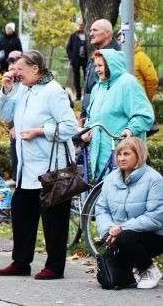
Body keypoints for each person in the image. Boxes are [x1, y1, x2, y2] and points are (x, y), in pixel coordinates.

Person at [0, 50, 77, 280]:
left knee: (54, 220)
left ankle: (55, 266)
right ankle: (21, 262)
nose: (16, 72)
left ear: (35, 68)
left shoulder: (53, 91)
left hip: (51, 169)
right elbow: (4, 114)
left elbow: (70, 127)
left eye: (20, 69)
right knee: (22, 213)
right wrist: (7, 90)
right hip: (27, 170)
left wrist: (40, 132)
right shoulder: (23, 89)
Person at [95, 137, 163, 289]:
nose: (121, 158)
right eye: (119, 154)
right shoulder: (111, 179)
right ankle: (130, 273)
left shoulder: (154, 179)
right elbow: (101, 209)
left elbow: (155, 217)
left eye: (126, 154)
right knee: (111, 280)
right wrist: (110, 228)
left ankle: (150, 270)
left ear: (138, 155)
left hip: (155, 236)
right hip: (120, 235)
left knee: (125, 238)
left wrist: (122, 228)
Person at [82, 50, 154, 177]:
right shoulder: (97, 87)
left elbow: (145, 115)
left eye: (100, 65)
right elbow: (92, 116)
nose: (97, 70)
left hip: (124, 155)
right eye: (95, 66)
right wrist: (88, 129)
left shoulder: (128, 83)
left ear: (110, 65)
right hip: (101, 157)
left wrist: (130, 129)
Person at [80, 19, 121, 124]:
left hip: (105, 118)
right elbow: (89, 89)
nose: (91, 34)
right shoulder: (96, 54)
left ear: (107, 33)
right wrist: (84, 114)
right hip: (91, 114)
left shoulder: (116, 55)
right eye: (90, 30)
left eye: (95, 30)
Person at [6, 50, 22, 182]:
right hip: (14, 124)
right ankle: (15, 177)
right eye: (10, 64)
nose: (12, 67)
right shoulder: (9, 82)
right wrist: (12, 125)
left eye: (15, 64)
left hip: (26, 124)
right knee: (14, 149)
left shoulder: (25, 81)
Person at [66, 21, 88, 100]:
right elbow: (68, 48)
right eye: (80, 25)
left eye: (82, 25)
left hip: (85, 59)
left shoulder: (88, 35)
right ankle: (78, 96)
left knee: (87, 77)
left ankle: (86, 95)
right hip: (76, 60)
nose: (81, 26)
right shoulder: (74, 36)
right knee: (76, 78)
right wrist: (71, 57)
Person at [134, 36, 159, 102]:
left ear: (135, 43)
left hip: (139, 100)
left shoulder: (141, 57)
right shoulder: (120, 57)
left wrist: (147, 98)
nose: (120, 42)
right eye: (119, 40)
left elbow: (152, 79)